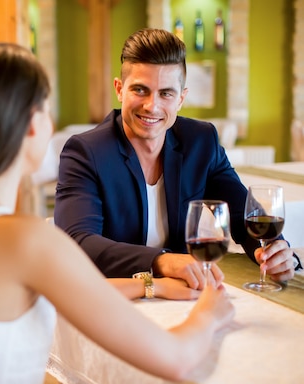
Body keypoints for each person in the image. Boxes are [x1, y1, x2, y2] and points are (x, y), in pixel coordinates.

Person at [0, 42, 234, 384]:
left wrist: (149, 284)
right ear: (31, 125)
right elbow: (175, 359)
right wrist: (209, 313)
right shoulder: (24, 240)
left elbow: (65, 289)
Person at [55, 28, 301, 289]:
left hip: (187, 293)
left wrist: (274, 252)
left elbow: (243, 214)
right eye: (140, 90)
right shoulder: (85, 152)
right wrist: (162, 261)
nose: (152, 106)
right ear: (119, 89)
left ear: (181, 98)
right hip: (115, 298)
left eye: (166, 93)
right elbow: (78, 241)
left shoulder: (201, 141)